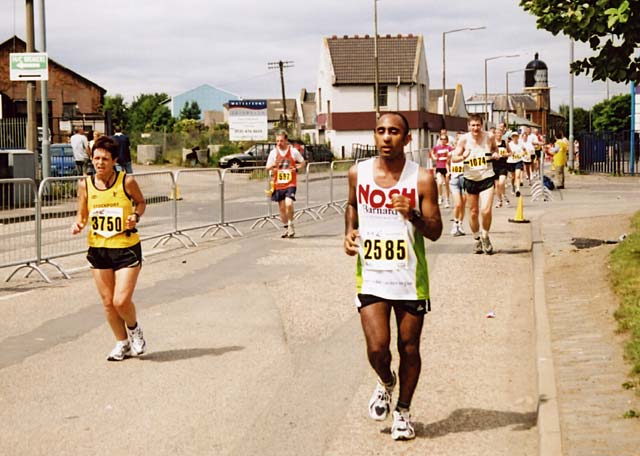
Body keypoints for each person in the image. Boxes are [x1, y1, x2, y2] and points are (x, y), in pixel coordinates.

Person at [344, 112, 442, 441]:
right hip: (371, 274)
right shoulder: (358, 173)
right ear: (374, 136)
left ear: (407, 138)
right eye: (381, 131)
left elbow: (436, 231)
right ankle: (386, 382)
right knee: (377, 350)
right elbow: (352, 206)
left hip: (409, 278)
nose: (387, 137)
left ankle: (403, 410)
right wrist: (349, 232)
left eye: (395, 132)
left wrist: (411, 213)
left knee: (409, 349)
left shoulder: (423, 179)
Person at [71, 135, 147, 361]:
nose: (100, 163)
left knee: (120, 301)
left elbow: (141, 203)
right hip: (98, 249)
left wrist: (135, 216)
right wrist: (78, 224)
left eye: (105, 158)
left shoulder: (127, 182)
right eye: (96, 158)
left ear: (114, 160)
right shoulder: (85, 184)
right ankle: (121, 343)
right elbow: (82, 214)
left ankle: (134, 330)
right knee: (107, 303)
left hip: (126, 247)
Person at [451, 114, 499, 254]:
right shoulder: (464, 139)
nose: (475, 128)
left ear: (482, 125)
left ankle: (485, 235)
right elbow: (453, 158)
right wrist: (462, 157)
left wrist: (495, 154)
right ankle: (477, 239)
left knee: (486, 210)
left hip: (486, 177)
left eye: (478, 125)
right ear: (468, 126)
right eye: (473, 125)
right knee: (473, 213)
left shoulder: (489, 136)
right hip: (470, 178)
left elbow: (495, 148)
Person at [265, 131, 305, 238]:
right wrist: (273, 165)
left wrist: (296, 168)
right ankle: (287, 228)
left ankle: (291, 224)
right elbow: (267, 167)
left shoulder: (293, 151)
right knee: (282, 209)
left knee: (289, 204)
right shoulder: (273, 153)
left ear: (286, 140)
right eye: (277, 141)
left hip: (290, 183)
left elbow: (303, 162)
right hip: (278, 184)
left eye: (281, 140)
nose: (279, 143)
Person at [448, 131, 467, 236]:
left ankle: (460, 223)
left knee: (463, 204)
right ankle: (455, 224)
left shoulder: (467, 152)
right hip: (454, 180)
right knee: (458, 204)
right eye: (457, 139)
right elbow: (447, 162)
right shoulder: (451, 153)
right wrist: (448, 171)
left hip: (465, 179)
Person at [430, 134, 452, 208]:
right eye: (441, 139)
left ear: (447, 140)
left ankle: (447, 199)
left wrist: (449, 156)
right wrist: (434, 157)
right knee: (439, 182)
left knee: (446, 184)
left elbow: (452, 155)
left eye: (444, 139)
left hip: (446, 167)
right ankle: (440, 197)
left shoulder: (449, 148)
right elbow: (432, 153)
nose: (443, 141)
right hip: (439, 167)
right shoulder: (437, 148)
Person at [493, 122, 510, 208]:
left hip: (503, 165)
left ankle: (504, 195)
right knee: (497, 185)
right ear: (495, 134)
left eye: (500, 133)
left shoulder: (505, 142)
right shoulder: (492, 144)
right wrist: (493, 155)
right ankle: (499, 200)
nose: (498, 135)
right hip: (494, 165)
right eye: (497, 133)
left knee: (501, 182)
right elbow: (488, 153)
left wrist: (505, 155)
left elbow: (510, 152)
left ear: (502, 134)